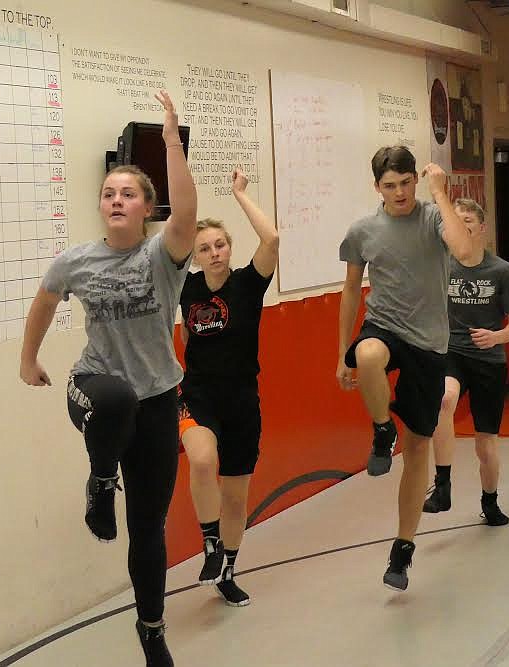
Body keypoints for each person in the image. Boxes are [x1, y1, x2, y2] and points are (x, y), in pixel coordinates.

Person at [19, 92, 195, 666]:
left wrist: (171, 142)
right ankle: (100, 483)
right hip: (94, 390)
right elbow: (44, 303)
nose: (116, 200)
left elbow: (189, 215)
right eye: (108, 193)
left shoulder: (161, 257)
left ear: (147, 208)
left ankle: (152, 630)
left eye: (128, 194)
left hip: (159, 401)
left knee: (148, 528)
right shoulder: (76, 262)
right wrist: (29, 358)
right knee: (116, 397)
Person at [336, 146, 471, 591]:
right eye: (389, 185)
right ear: (377, 187)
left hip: (430, 344)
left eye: (405, 183)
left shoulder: (434, 219)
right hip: (385, 325)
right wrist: (342, 352)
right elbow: (352, 291)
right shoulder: (363, 231)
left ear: (415, 180)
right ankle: (380, 430)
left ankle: (403, 548)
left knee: (419, 448)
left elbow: (466, 249)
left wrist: (440, 192)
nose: (398, 192)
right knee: (367, 355)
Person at [177, 168, 278, 608]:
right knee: (201, 458)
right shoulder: (186, 288)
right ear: (194, 256)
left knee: (236, 498)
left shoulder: (247, 285)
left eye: (220, 245)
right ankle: (211, 544)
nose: (215, 253)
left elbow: (271, 240)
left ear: (229, 248)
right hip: (198, 397)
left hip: (242, 403)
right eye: (205, 248)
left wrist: (240, 194)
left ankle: (228, 570)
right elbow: (182, 338)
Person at [422, 198, 509, 525]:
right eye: (456, 221)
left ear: (481, 228)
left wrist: (496, 337)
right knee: (444, 401)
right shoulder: (442, 265)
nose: (461, 227)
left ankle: (490, 501)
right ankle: (442, 485)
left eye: (468, 221)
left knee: (486, 445)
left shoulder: (502, 271)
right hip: (451, 351)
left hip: (489, 360)